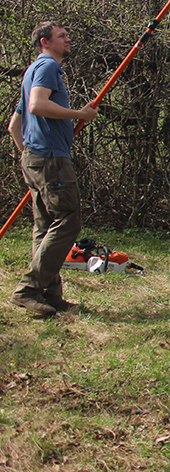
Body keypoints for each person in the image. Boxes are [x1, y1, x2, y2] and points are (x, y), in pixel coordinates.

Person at [8, 22, 98, 318]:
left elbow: (14, 125)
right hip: (51, 159)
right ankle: (29, 289)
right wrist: (79, 114)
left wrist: (28, 153)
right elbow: (36, 105)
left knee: (45, 226)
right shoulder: (47, 67)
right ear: (45, 42)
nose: (68, 39)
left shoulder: (33, 70)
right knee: (68, 221)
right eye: (62, 36)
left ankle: (49, 295)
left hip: (37, 158)